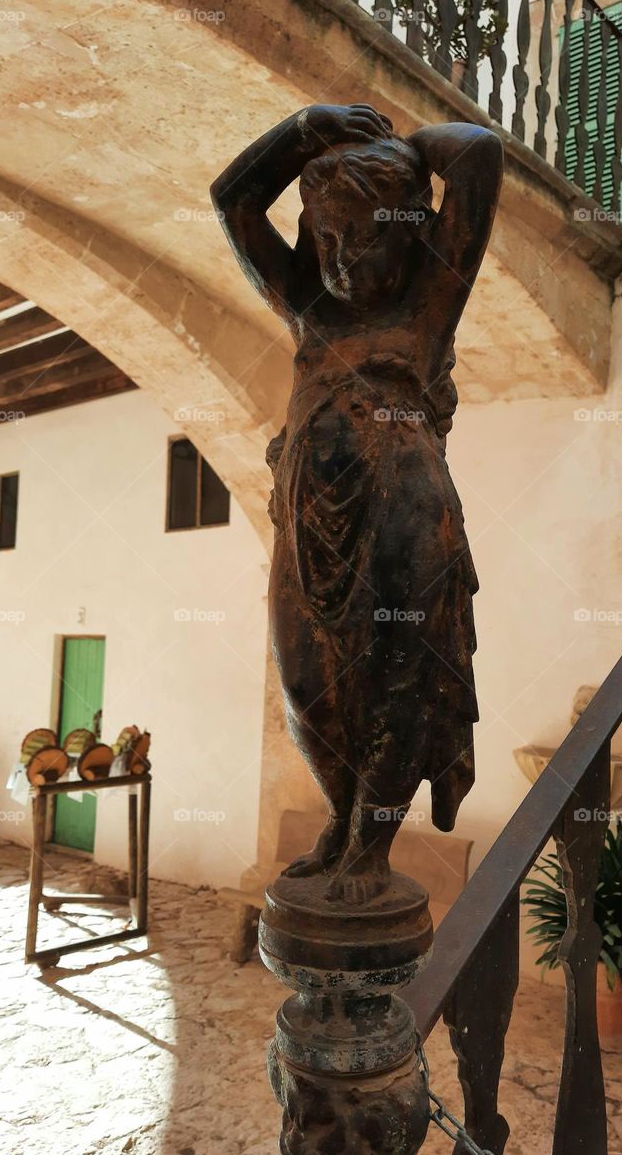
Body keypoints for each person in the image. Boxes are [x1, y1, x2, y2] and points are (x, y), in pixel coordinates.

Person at [212, 104, 503, 902]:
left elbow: (477, 155)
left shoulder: (428, 303)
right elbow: (232, 199)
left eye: (362, 234)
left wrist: (405, 148)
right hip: (307, 513)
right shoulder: (311, 308)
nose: (339, 255)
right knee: (306, 679)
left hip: (405, 508)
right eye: (326, 235)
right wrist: (307, 128)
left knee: (398, 676)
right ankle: (340, 819)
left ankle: (371, 846)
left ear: (408, 231)